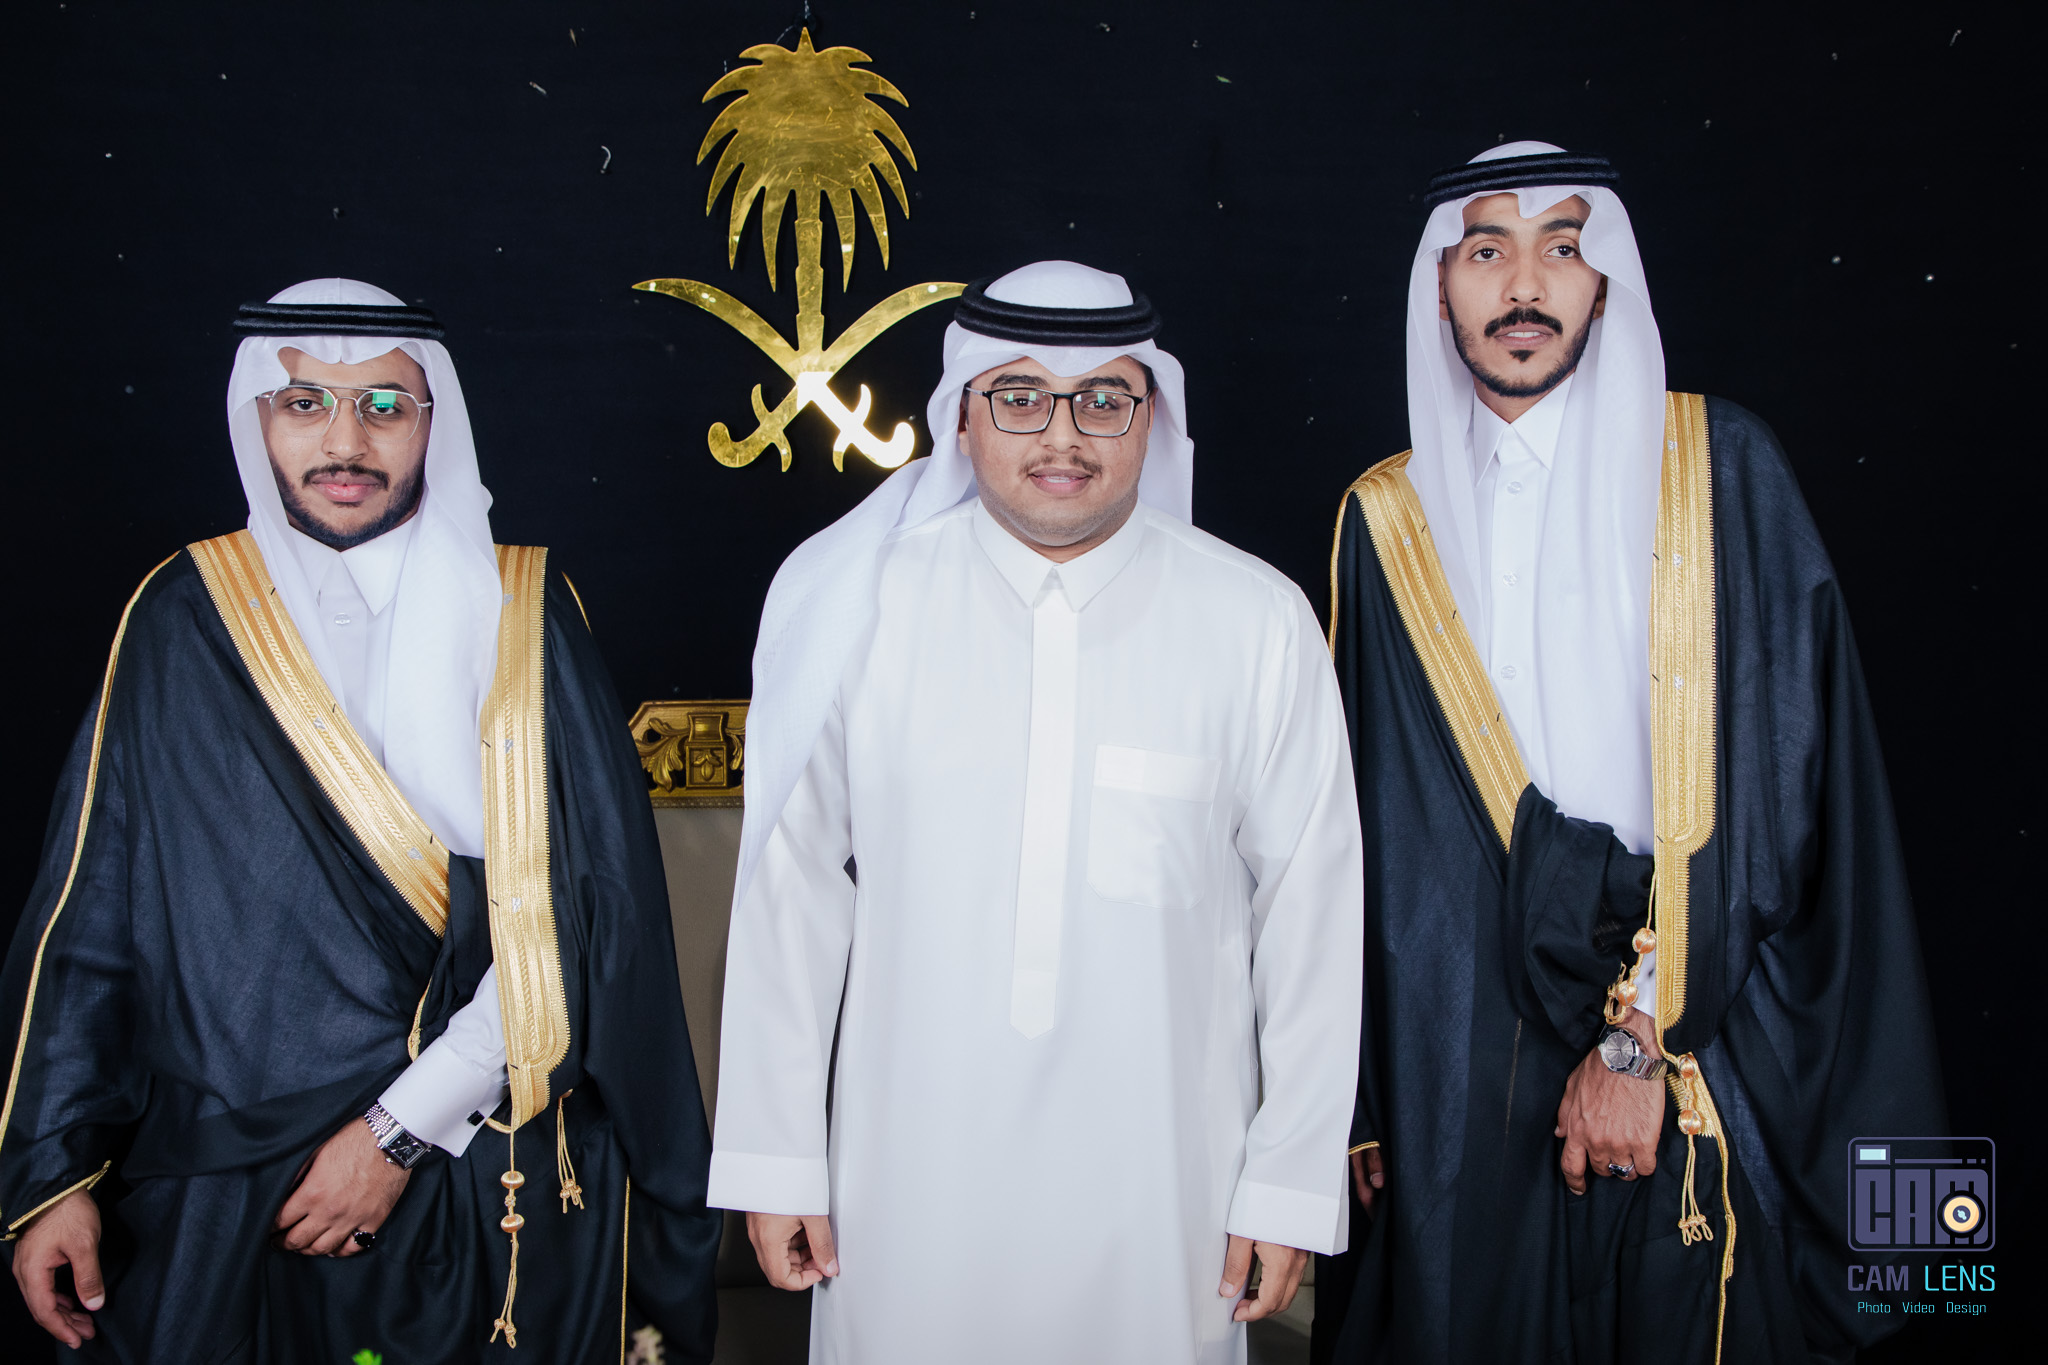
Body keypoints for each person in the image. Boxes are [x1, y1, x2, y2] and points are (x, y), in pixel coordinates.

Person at [0, 279, 720, 1362]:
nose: (345, 442)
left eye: (385, 405)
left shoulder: (521, 612)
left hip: (484, 1165)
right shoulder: (181, 614)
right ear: (258, 418)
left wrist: (397, 1132)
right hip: (228, 1182)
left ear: (434, 420)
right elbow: (89, 916)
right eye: (306, 405)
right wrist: (53, 1173)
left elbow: (588, 918)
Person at [1312, 144, 1944, 1364]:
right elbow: (1363, 832)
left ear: (1604, 279)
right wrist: (1366, 1098)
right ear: (1439, 283)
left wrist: (1635, 1042)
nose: (1523, 285)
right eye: (1486, 250)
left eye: (1561, 247)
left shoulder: (1718, 466)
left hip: (1701, 1020)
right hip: (1465, 1057)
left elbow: (1779, 784)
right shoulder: (1382, 519)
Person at [710, 261, 1363, 1363]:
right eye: (1019, 397)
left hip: (1167, 1196)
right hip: (903, 1186)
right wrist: (776, 1158)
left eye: (1103, 399)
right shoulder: (854, 603)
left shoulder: (1254, 620)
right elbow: (790, 892)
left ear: (1152, 418)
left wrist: (1289, 1182)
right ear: (961, 417)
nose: (1063, 436)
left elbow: (1311, 918)